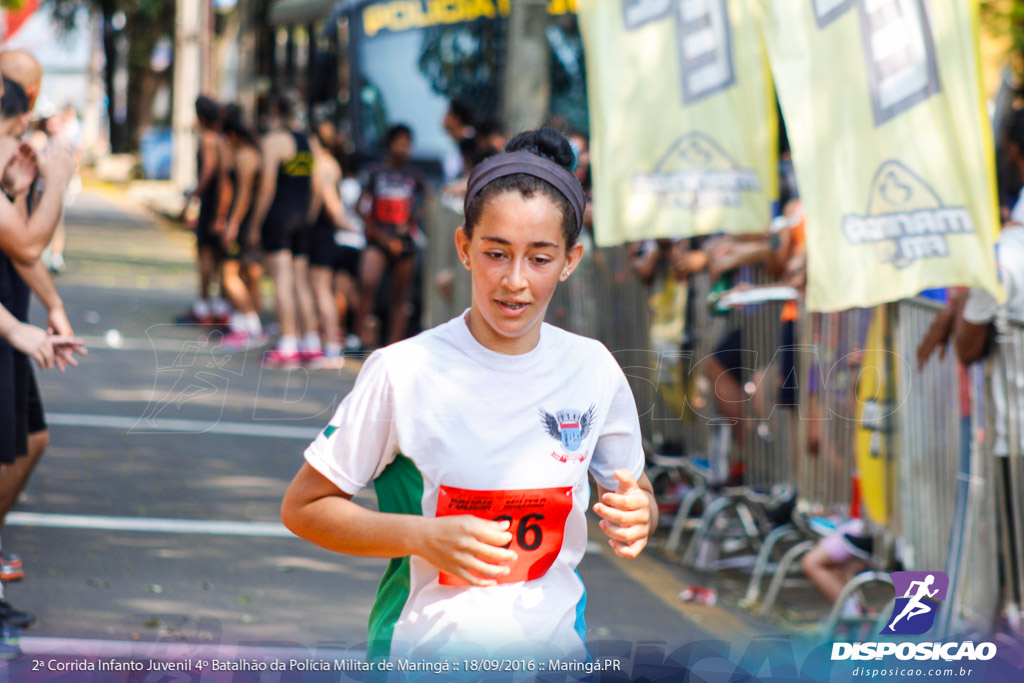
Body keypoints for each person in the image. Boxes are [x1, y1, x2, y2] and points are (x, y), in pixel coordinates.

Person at [281, 128, 657, 661]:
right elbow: (304, 507)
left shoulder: (593, 369)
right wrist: (421, 536)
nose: (515, 280)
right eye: (496, 253)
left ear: (570, 261)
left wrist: (640, 513)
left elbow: (636, 491)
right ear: (464, 248)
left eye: (540, 258)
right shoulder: (402, 370)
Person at [246, 94, 319, 367]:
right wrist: (308, 216)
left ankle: (288, 343)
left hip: (278, 218)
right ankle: (311, 342)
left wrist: (255, 224)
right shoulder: (311, 143)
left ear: (275, 111)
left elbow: (266, 187)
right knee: (301, 282)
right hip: (302, 217)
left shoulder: (272, 142)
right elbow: (316, 188)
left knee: (281, 282)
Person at [355, 124, 425, 348]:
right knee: (367, 284)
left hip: (404, 243)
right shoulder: (375, 173)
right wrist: (378, 234)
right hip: (378, 239)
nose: (404, 148)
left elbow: (428, 204)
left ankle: (395, 345)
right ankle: (360, 337)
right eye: (400, 142)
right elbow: (360, 206)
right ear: (390, 144)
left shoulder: (414, 176)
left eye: (408, 144)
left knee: (401, 296)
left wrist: (411, 220)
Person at [306, 121, 361, 368]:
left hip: (322, 233)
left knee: (321, 291)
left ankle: (330, 348)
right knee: (323, 291)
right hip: (327, 234)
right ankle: (328, 345)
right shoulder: (333, 163)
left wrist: (310, 218)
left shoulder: (322, 164)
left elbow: (329, 203)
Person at [216, 105, 265, 351]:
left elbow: (243, 194)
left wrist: (232, 224)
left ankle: (252, 326)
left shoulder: (245, 156)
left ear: (232, 135)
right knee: (247, 276)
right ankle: (243, 325)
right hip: (249, 221)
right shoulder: (254, 152)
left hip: (243, 222)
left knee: (228, 277)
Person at [183, 96, 229, 326]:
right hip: (219, 203)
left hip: (211, 203)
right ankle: (217, 304)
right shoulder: (222, 138)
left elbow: (209, 169)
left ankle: (203, 306)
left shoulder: (207, 139)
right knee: (218, 258)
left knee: (206, 256)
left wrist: (195, 193)